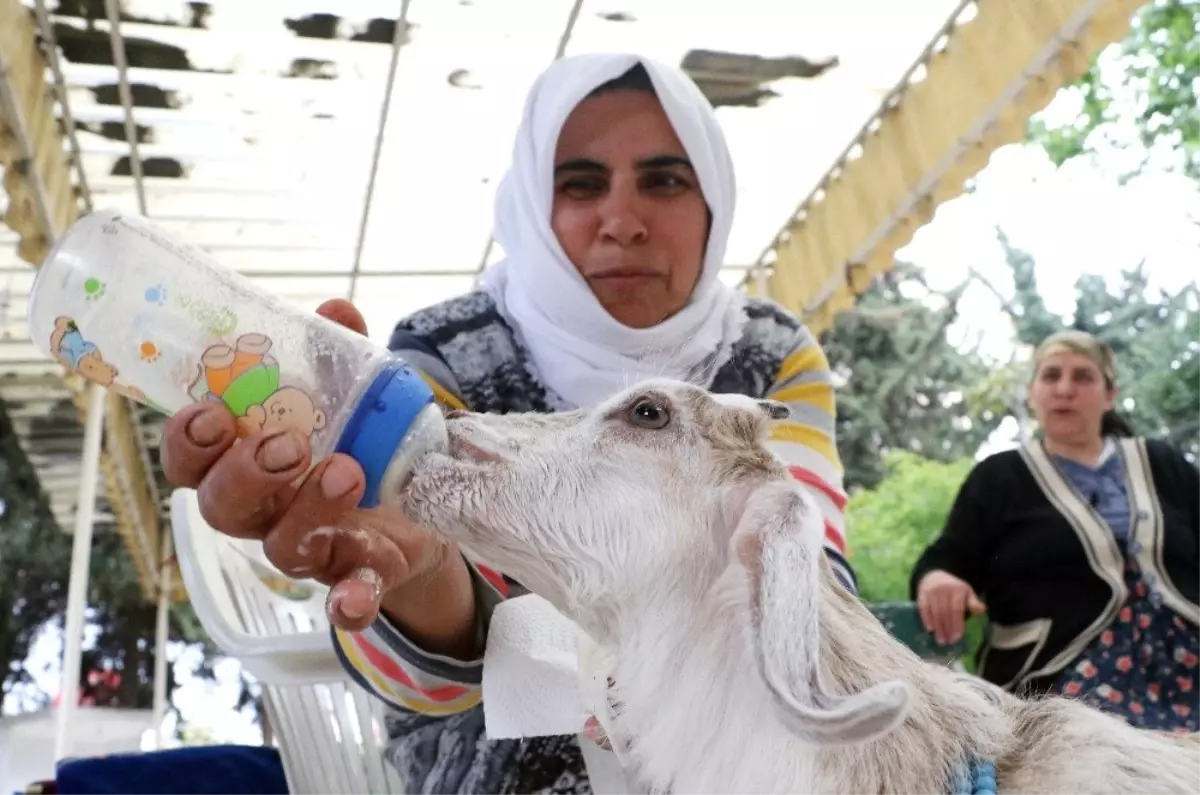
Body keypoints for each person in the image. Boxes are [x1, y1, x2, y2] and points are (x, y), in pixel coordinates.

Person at [161, 53, 858, 793]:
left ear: (715, 198)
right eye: (580, 184)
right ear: (530, 199)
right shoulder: (442, 354)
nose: (622, 222)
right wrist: (423, 570)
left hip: (737, 750)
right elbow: (434, 653)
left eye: (665, 180)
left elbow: (808, 585)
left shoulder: (768, 354)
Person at [911, 329, 1200, 732]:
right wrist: (939, 579)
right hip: (1061, 675)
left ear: (1109, 395)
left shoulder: (1163, 463)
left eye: (1083, 377)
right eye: (1051, 376)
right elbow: (948, 557)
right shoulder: (999, 478)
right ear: (1033, 392)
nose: (1065, 389)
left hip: (1187, 659)